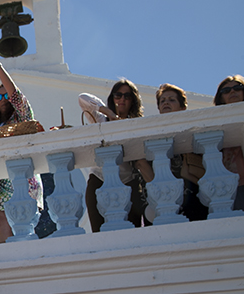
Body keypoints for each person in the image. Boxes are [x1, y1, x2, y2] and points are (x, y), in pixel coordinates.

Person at [0, 49, 43, 243]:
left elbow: (16, 95)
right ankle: (5, 257)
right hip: (0, 182)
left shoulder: (22, 117)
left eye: (6, 95)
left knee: (22, 222)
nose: (4, 99)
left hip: (22, 178)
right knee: (1, 222)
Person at [84, 79, 154, 231]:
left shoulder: (136, 126)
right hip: (99, 180)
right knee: (99, 232)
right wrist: (110, 113)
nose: (122, 99)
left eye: (127, 96)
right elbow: (83, 98)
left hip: (129, 183)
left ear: (133, 101)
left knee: (131, 233)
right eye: (118, 95)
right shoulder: (101, 120)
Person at [156, 84, 207, 221]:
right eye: (163, 100)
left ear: (182, 107)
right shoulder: (153, 137)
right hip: (166, 201)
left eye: (172, 100)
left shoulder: (194, 132)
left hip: (195, 200)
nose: (166, 102)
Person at [213, 74, 244, 210]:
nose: (232, 92)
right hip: (232, 186)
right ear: (221, 98)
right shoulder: (215, 122)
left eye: (237, 88)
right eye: (226, 91)